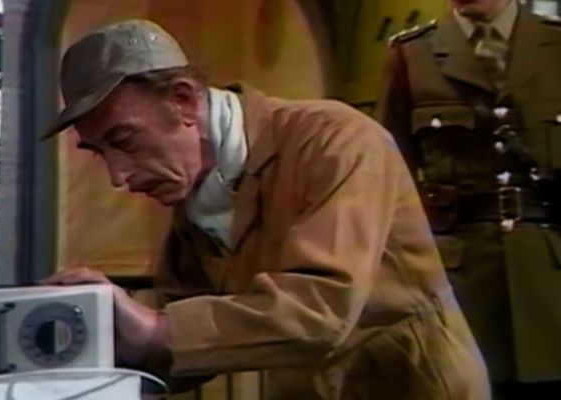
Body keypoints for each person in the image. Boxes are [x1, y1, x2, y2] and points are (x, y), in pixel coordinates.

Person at [42, 19, 489, 399]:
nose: (118, 177)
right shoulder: (197, 192)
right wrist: (98, 339)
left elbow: (321, 310)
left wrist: (155, 330)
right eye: (99, 152)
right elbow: (184, 326)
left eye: (124, 141)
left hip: (411, 386)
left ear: (183, 101)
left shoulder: (336, 141)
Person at [375, 0, 561, 399]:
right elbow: (389, 181)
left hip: (550, 275)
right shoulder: (412, 55)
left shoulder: (554, 45)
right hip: (460, 283)